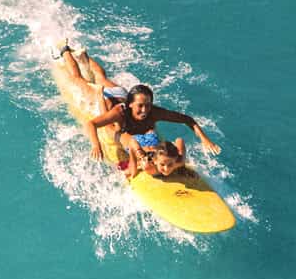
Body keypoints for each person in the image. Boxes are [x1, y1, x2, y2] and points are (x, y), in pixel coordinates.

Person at [54, 45, 213, 182]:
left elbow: (187, 120)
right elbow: (92, 124)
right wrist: (96, 145)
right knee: (77, 79)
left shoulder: (153, 112)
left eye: (148, 106)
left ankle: (84, 56)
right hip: (108, 99)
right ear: (130, 105)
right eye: (140, 106)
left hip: (119, 93)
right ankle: (65, 51)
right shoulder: (121, 111)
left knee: (101, 76)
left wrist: (205, 140)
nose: (144, 111)